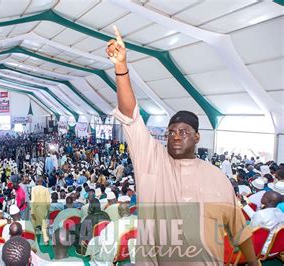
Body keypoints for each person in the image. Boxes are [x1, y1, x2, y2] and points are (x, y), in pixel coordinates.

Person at [106, 26, 255, 264]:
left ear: (197, 138)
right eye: (171, 132)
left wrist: (255, 263)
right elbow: (130, 115)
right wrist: (121, 67)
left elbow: (239, 230)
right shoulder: (151, 160)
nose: (176, 136)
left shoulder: (216, 176)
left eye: (184, 132)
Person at [30, 176, 50, 244]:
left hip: (35, 209)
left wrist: (32, 211)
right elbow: (48, 202)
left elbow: (33, 200)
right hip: (44, 209)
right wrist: (47, 209)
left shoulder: (33, 189)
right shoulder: (46, 189)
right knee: (44, 226)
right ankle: (45, 240)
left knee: (34, 226)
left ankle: (34, 240)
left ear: (37, 182)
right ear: (42, 182)